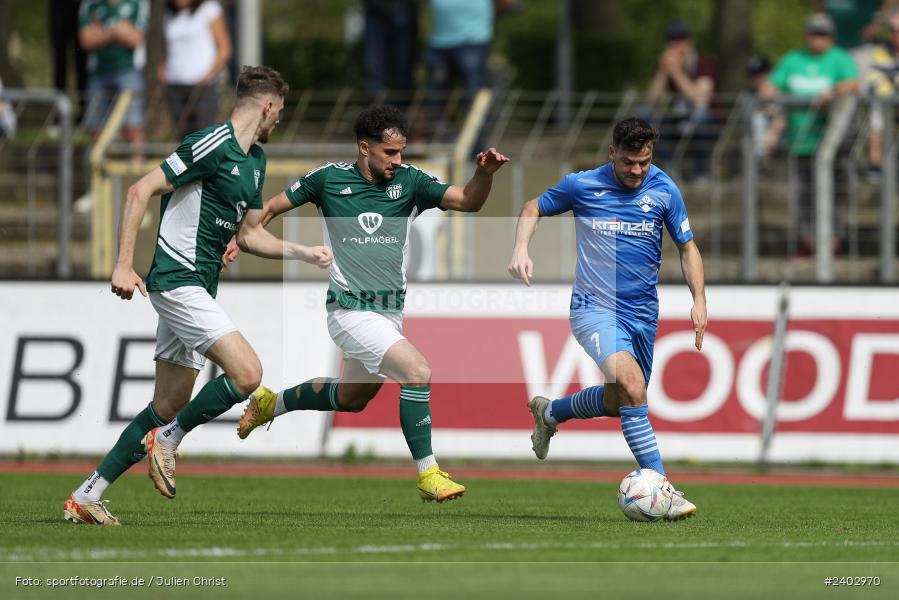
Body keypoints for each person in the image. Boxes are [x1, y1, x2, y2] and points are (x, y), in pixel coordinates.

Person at [63, 66, 332, 525]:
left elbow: (249, 235)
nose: (279, 121)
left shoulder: (255, 161)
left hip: (199, 287)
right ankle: (167, 441)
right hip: (177, 279)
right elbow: (139, 190)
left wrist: (303, 252)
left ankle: (87, 494)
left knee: (167, 403)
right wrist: (124, 264)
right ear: (267, 106)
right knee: (248, 374)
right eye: (280, 112)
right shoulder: (211, 143)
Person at [237, 104, 509, 503]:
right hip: (349, 311)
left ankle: (269, 403)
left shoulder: (411, 182)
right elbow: (269, 210)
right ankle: (429, 473)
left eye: (401, 152)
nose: (398, 161)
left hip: (389, 314)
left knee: (353, 399)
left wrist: (483, 175)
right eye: (390, 152)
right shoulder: (327, 179)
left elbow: (469, 201)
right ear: (365, 148)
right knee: (417, 371)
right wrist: (239, 236)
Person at [507, 117, 706, 521]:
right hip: (593, 308)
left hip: (643, 315)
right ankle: (665, 490)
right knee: (633, 387)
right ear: (613, 153)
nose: (636, 171)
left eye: (644, 162)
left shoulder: (664, 189)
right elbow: (533, 207)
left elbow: (687, 247)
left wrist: (699, 298)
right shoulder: (582, 185)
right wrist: (520, 249)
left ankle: (550, 413)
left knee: (620, 402)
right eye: (629, 161)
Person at [761, 13, 858, 257]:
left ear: (831, 37)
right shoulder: (793, 59)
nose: (818, 39)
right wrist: (772, 108)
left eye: (823, 34)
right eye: (814, 33)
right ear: (807, 35)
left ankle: (834, 242)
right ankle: (808, 241)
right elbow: (770, 85)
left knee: (833, 195)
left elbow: (853, 84)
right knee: (802, 197)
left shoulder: (839, 58)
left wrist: (833, 91)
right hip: (799, 142)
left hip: (831, 143)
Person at [640, 19, 716, 180]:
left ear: (690, 43)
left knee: (702, 115)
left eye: (681, 41)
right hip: (675, 120)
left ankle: (700, 173)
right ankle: (669, 168)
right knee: (644, 116)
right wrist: (663, 71)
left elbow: (700, 99)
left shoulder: (703, 63)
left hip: (703, 122)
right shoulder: (664, 66)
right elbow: (650, 101)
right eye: (672, 41)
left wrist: (676, 73)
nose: (676, 46)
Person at [78, 0, 148, 148]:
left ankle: (136, 168)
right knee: (96, 129)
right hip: (98, 73)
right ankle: (100, 169)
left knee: (133, 126)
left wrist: (101, 32)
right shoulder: (90, 4)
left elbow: (135, 39)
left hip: (129, 70)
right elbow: (86, 41)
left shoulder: (138, 3)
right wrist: (116, 31)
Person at [161, 0, 232, 139]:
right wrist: (162, 70)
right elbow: (168, 48)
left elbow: (225, 49)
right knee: (183, 137)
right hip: (174, 83)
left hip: (203, 85)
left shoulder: (209, 9)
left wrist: (208, 74)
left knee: (204, 136)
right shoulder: (170, 15)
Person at [362, 0, 419, 100]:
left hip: (405, 11)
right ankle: (376, 111)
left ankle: (403, 110)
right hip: (375, 12)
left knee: (404, 68)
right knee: (374, 69)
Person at [49, 0, 88, 121]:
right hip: (60, 7)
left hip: (82, 6)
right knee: (60, 62)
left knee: (82, 62)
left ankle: (85, 111)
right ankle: (60, 113)